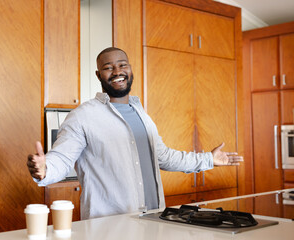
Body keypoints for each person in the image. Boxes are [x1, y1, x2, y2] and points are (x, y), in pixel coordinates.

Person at [27, 47, 243, 220]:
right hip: (109, 227)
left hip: (153, 218)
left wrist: (208, 159)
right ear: (98, 75)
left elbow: (163, 157)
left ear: (130, 69)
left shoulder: (141, 114)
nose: (117, 71)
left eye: (122, 65)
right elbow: (62, 159)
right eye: (108, 67)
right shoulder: (83, 116)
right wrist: (45, 170)